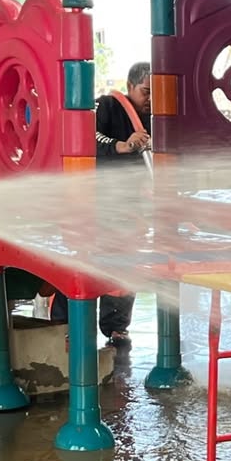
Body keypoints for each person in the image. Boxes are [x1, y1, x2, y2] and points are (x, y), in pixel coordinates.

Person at [51, 61, 151, 343]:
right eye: (145, 92)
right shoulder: (105, 105)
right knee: (81, 260)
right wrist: (121, 145)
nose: (150, 100)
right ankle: (65, 323)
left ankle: (117, 327)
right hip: (94, 204)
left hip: (130, 207)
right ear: (130, 86)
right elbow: (87, 137)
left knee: (124, 267)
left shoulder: (155, 116)